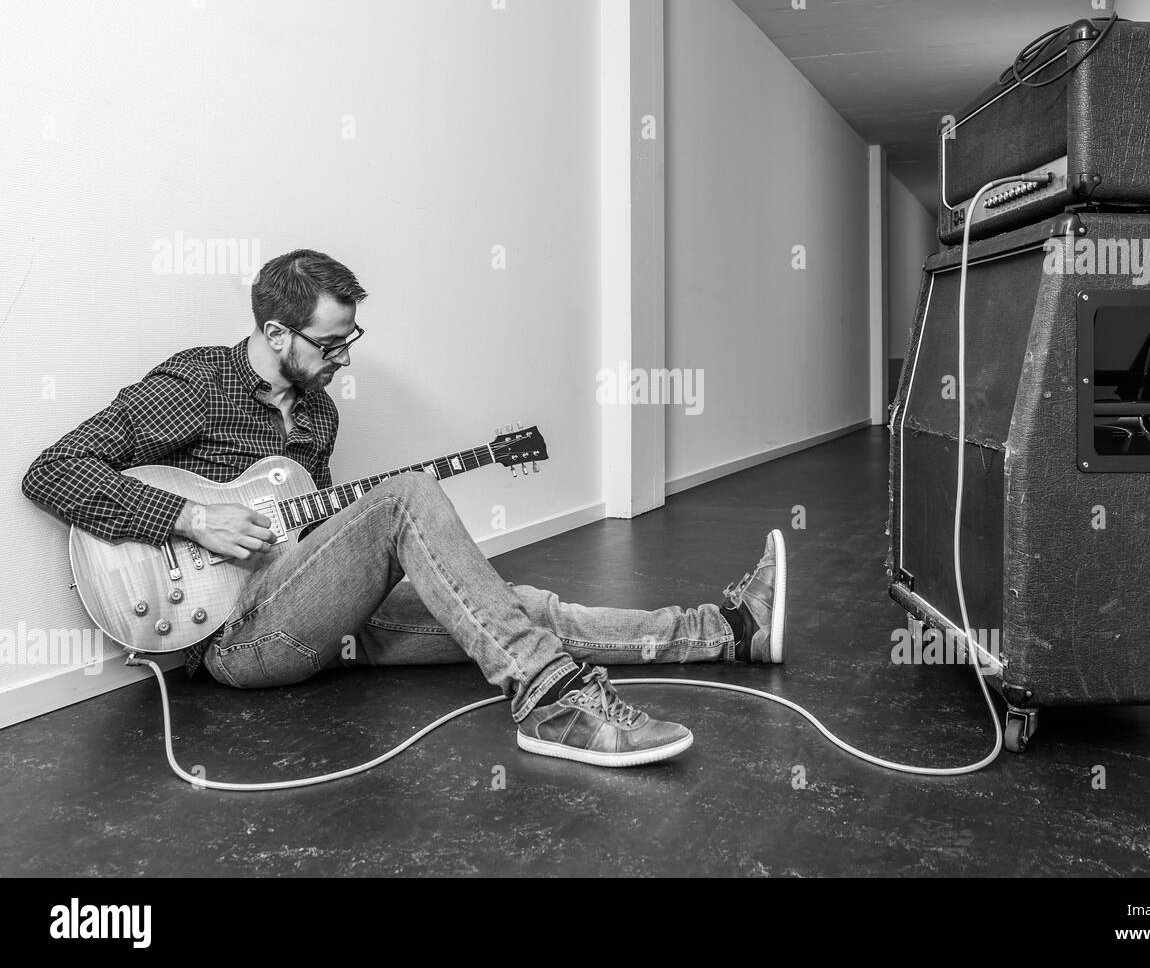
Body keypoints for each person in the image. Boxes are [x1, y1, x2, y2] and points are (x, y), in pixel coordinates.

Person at [22, 249, 787, 768]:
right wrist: (191, 518)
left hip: (306, 610)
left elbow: (316, 541)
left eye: (351, 337)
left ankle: (727, 630)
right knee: (411, 495)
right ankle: (552, 704)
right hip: (232, 643)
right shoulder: (195, 385)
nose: (343, 357)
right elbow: (52, 469)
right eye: (329, 342)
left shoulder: (316, 417)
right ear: (276, 330)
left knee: (510, 608)